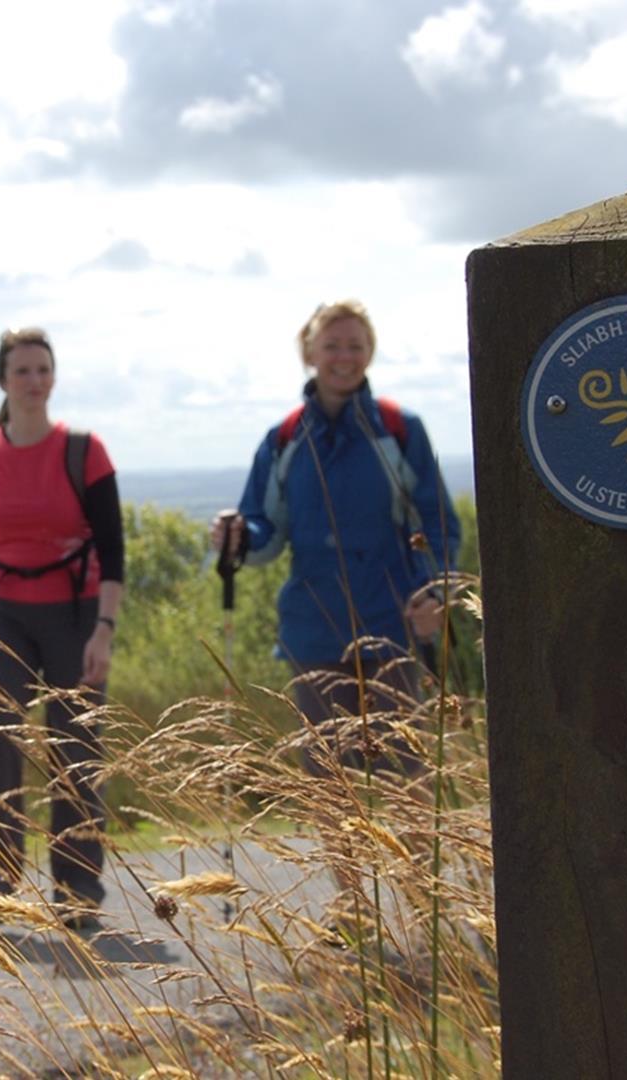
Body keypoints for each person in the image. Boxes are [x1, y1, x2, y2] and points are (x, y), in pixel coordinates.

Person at [210, 299, 461, 925]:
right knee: (325, 780)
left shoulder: (401, 430)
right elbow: (266, 534)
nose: (343, 356)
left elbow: (438, 525)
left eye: (354, 345)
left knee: (407, 772)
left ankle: (423, 906)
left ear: (368, 352)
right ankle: (353, 910)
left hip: (393, 622)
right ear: (310, 352)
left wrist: (433, 593)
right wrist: (237, 535)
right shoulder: (285, 439)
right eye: (332, 346)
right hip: (312, 628)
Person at [0, 327, 125, 930]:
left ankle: (77, 891)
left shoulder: (84, 451)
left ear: (53, 377)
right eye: (22, 371)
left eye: (42, 369)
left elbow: (113, 548)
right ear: (3, 381)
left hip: (76, 614)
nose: (34, 381)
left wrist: (104, 629)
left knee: (74, 750)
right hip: (3, 614)